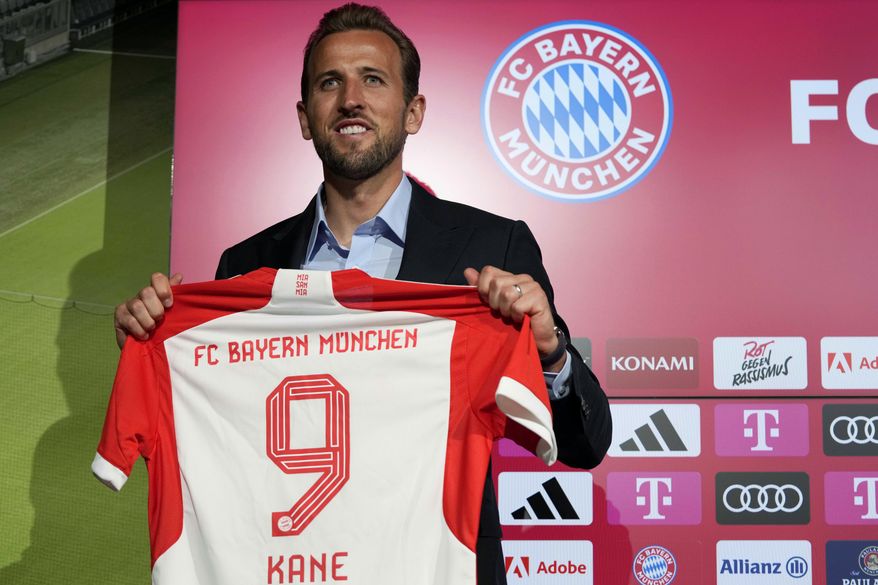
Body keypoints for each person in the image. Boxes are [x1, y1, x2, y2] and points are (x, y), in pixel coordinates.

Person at [113, 4, 611, 584]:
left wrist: (549, 352)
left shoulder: (492, 245)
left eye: (373, 79)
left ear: (413, 110)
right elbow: (218, 449)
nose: (351, 99)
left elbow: (585, 442)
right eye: (331, 82)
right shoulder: (244, 265)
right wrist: (151, 347)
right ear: (306, 117)